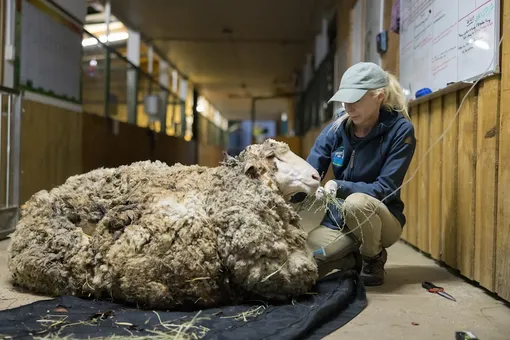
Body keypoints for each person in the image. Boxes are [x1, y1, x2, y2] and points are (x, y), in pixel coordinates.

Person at [293, 62, 416, 286]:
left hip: (380, 216)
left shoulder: (401, 131)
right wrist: (289, 193)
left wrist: (340, 186)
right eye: (345, 100)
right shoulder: (338, 126)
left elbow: (386, 188)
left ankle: (372, 256)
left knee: (356, 203)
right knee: (301, 262)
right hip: (338, 220)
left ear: (379, 96)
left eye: (356, 100)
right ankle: (350, 258)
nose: (348, 107)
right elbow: (310, 172)